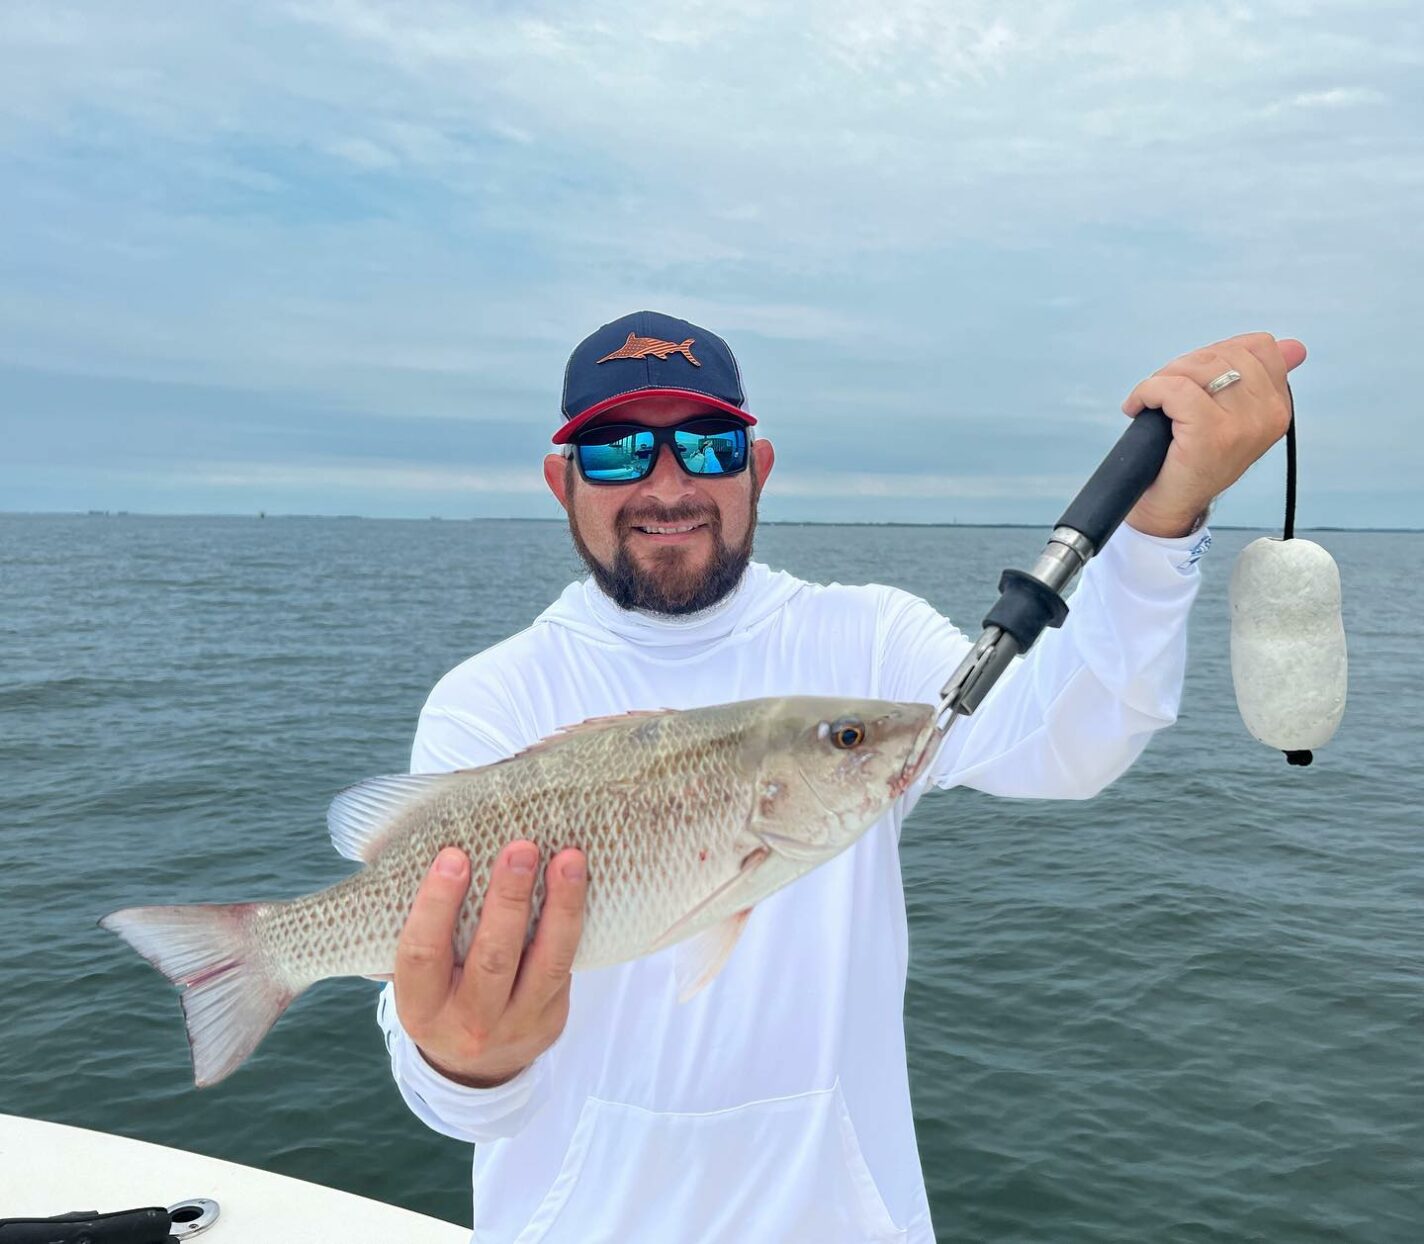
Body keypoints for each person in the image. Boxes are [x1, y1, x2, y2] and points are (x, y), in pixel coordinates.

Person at [376, 310, 1305, 1242]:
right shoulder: (488, 700)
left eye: (707, 445)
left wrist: (1156, 524)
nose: (668, 483)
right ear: (560, 482)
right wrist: (468, 1065)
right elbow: (457, 1107)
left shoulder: (866, 637)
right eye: (618, 452)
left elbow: (1068, 742)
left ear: (758, 466)